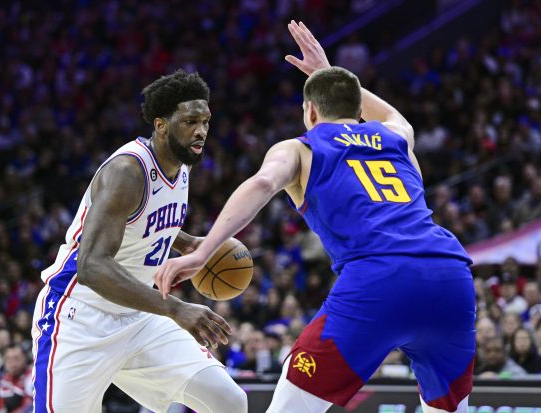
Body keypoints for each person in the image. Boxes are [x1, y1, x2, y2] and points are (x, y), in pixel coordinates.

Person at [156, 21, 475, 413]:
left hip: (379, 279)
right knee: (447, 408)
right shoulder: (396, 137)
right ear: (358, 109)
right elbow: (394, 116)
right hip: (450, 277)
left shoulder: (300, 148)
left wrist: (201, 252)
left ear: (309, 110)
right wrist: (327, 75)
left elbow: (260, 185)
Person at [31, 70, 247, 413]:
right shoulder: (127, 172)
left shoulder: (182, 164)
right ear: (161, 124)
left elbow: (145, 217)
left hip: (140, 316)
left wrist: (188, 243)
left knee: (229, 401)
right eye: (191, 121)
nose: (202, 130)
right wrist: (176, 308)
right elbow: (91, 267)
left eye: (206, 121)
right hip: (81, 318)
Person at [0, 346, 33, 413]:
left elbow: (29, 406)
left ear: (25, 358)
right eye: (8, 359)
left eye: (16, 358)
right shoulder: (4, 380)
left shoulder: (32, 377)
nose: (13, 363)